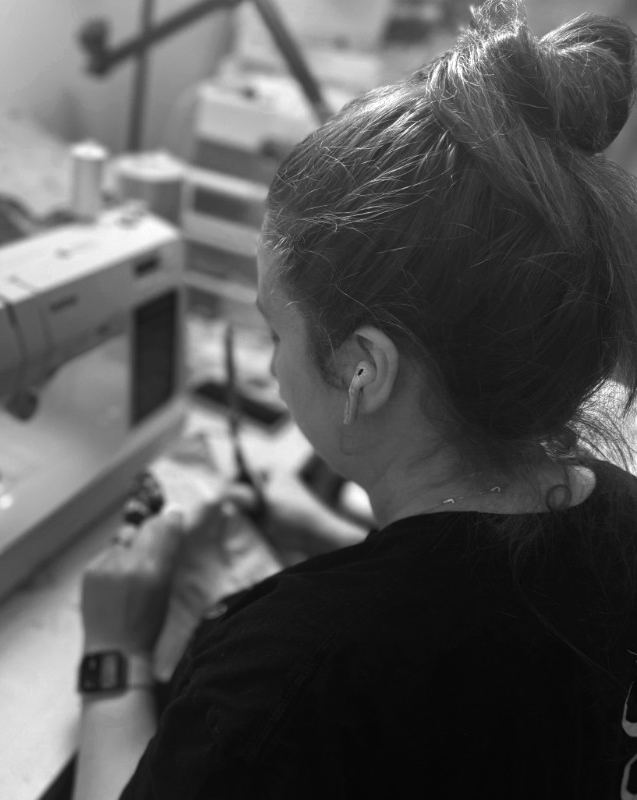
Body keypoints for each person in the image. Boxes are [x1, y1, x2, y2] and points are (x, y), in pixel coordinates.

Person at [72, 1, 637, 797]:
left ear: (362, 371)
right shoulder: (622, 513)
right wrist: (337, 538)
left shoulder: (287, 684)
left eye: (274, 330)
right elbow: (493, 608)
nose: (272, 367)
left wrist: (114, 656)